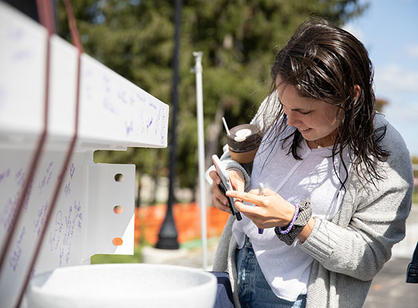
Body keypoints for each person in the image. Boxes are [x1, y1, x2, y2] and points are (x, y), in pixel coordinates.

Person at [208, 18, 414, 308]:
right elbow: (240, 157)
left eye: (304, 111)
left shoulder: (385, 153)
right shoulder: (280, 107)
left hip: (299, 297)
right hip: (237, 270)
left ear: (351, 96)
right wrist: (232, 175)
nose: (289, 120)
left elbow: (368, 257)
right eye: (283, 105)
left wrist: (294, 222)